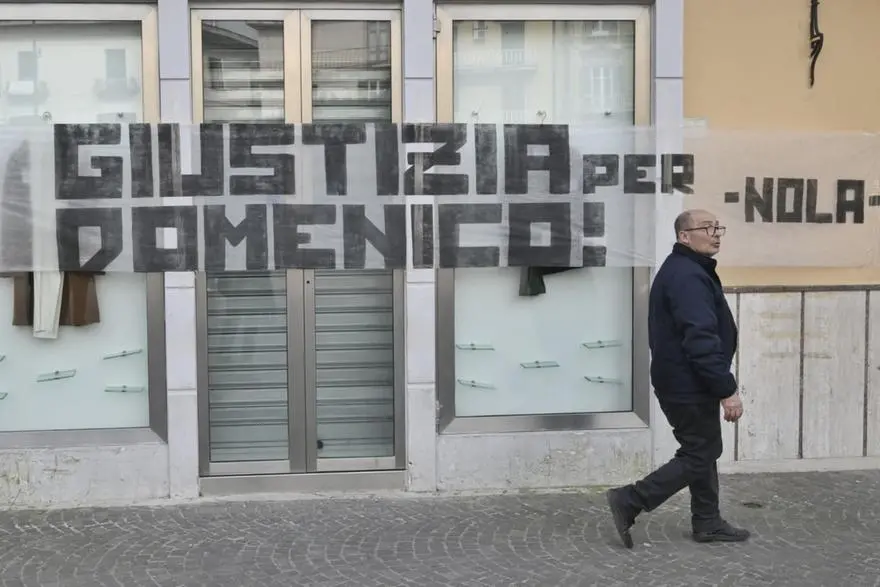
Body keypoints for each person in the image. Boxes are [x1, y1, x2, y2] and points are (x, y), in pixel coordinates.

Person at [606, 209, 749, 548]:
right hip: (687, 383)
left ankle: (707, 521)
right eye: (707, 228)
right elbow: (699, 339)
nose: (715, 234)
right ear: (684, 236)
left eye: (718, 227)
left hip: (685, 381)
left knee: (701, 448)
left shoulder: (688, 269)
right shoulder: (687, 275)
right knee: (701, 451)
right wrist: (726, 389)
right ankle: (631, 499)